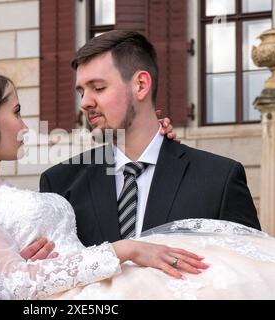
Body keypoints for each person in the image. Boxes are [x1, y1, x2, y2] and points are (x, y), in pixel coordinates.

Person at [0, 63, 275, 300]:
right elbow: (12, 282)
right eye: (17, 112)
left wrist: (157, 144)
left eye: (98, 87)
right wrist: (125, 250)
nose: (25, 125)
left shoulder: (4, 191)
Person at [40, 30, 261, 249]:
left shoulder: (218, 180)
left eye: (98, 88)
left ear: (141, 85)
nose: (85, 102)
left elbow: (250, 275)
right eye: (81, 92)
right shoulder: (61, 184)